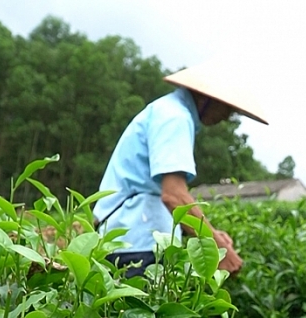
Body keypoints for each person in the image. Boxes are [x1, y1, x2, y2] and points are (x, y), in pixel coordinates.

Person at [93, 60, 269, 278]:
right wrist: (214, 247)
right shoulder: (174, 117)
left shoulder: (166, 110)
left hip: (132, 239)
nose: (226, 117)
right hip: (137, 244)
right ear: (206, 97)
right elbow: (174, 195)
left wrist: (214, 237)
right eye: (227, 108)